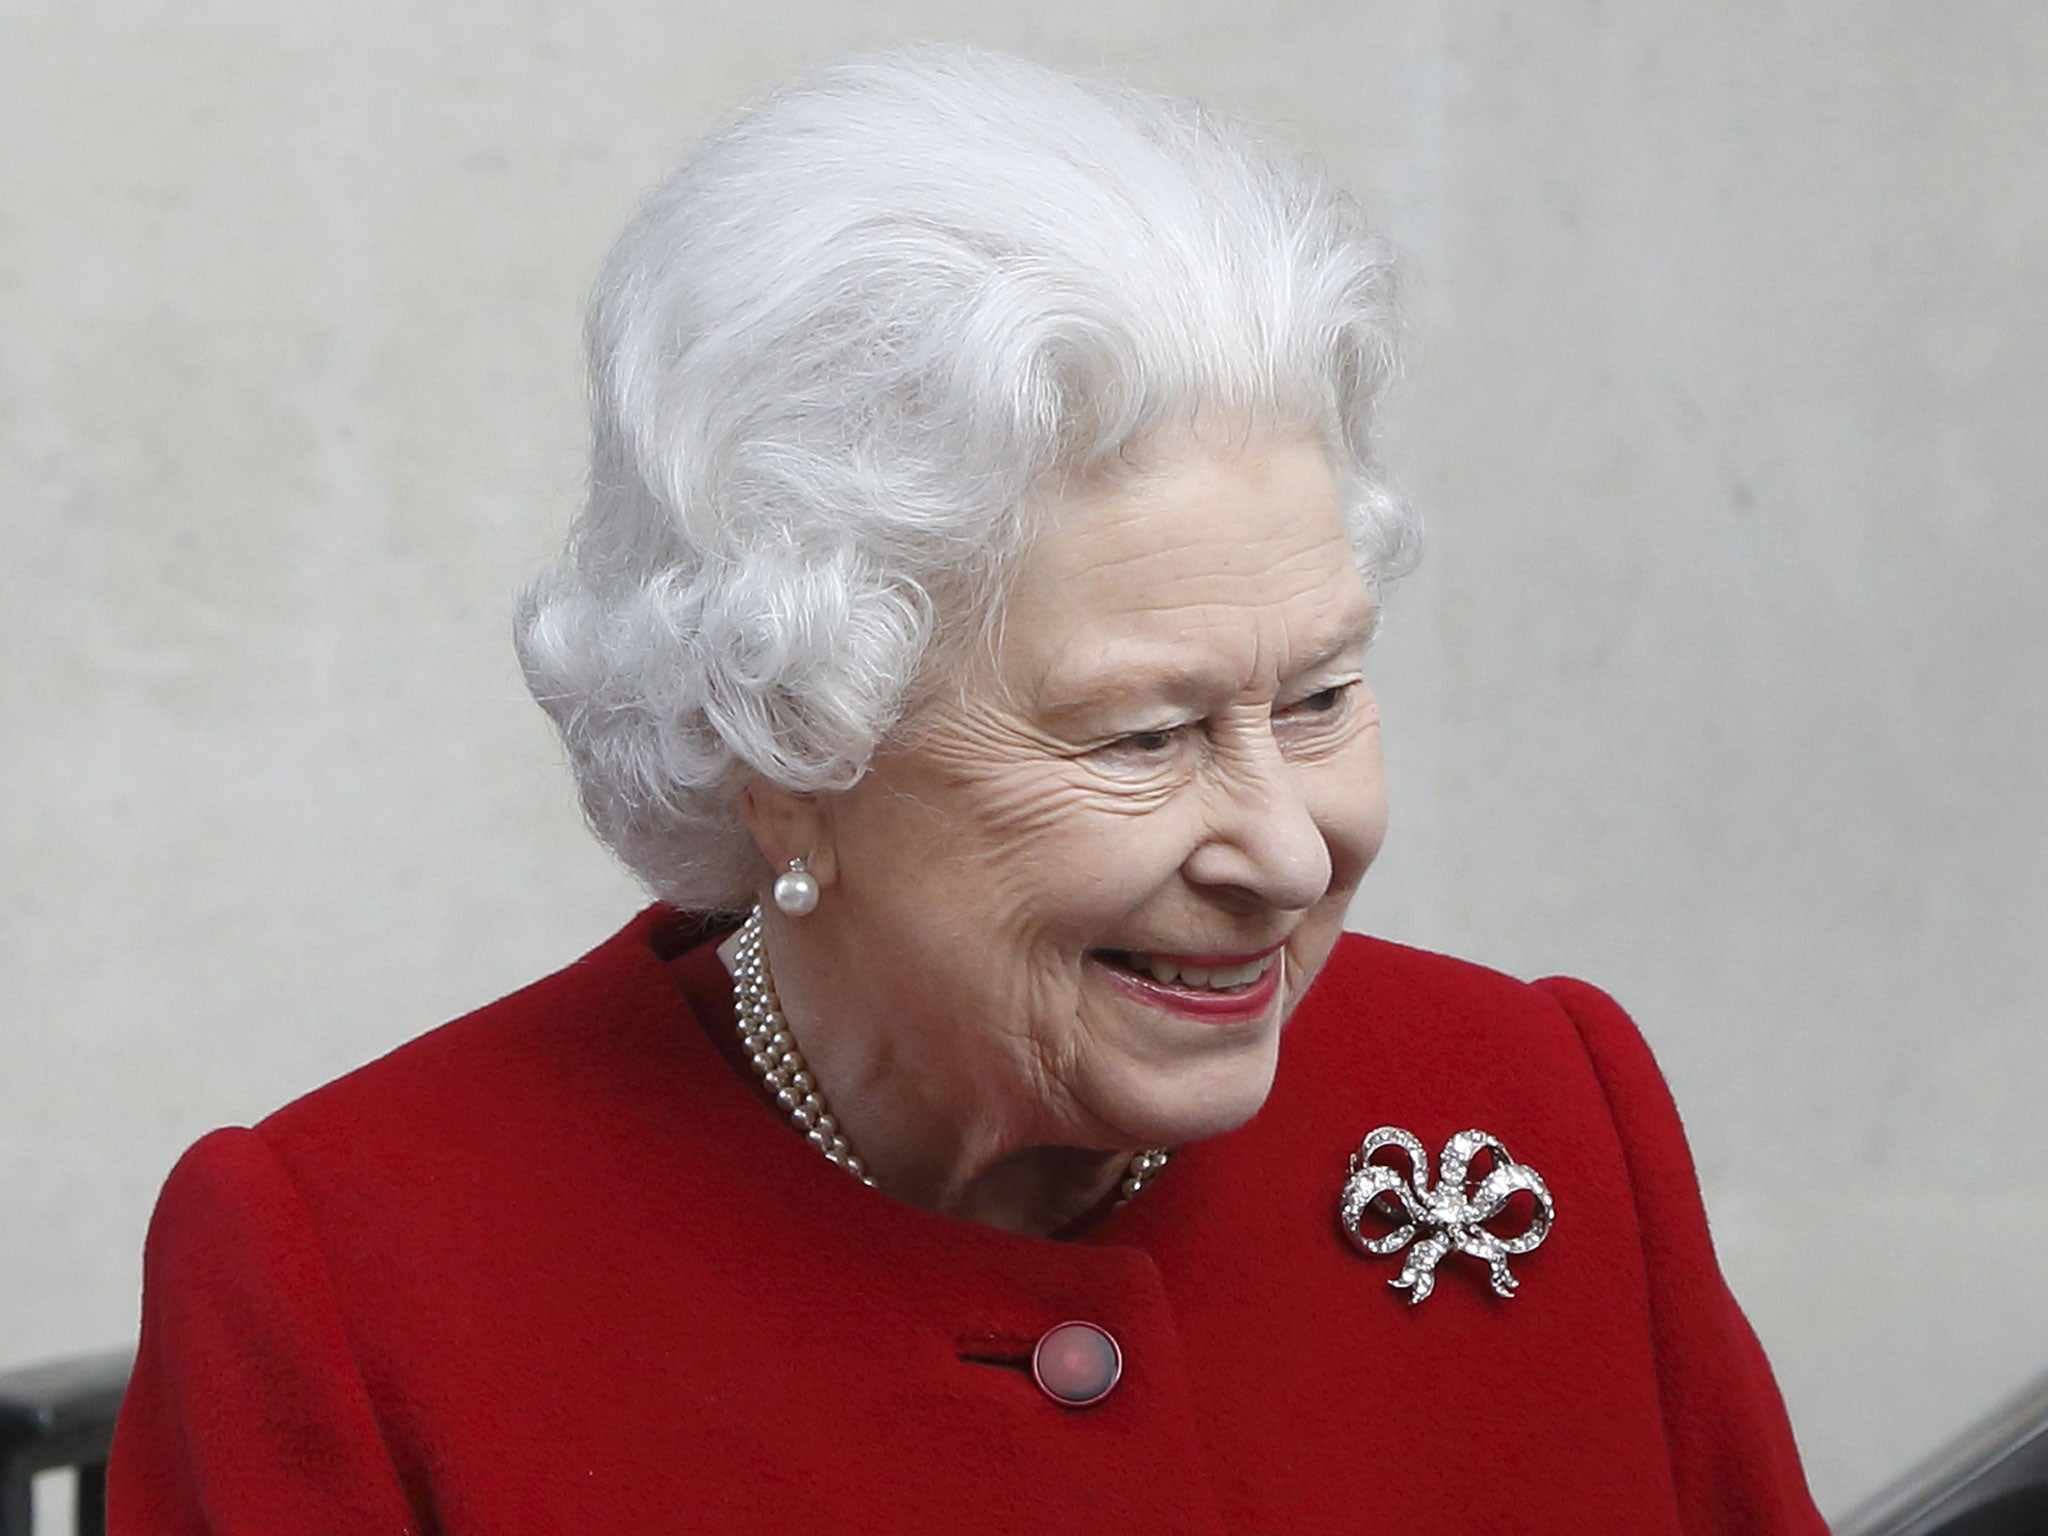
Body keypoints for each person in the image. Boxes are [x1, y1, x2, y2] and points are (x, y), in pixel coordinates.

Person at [107, 44, 1827, 1534]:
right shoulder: (350, 1276)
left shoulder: (1538, 1101)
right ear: (785, 753)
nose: (1289, 849)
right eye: (1142, 738)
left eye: (1318, 699)